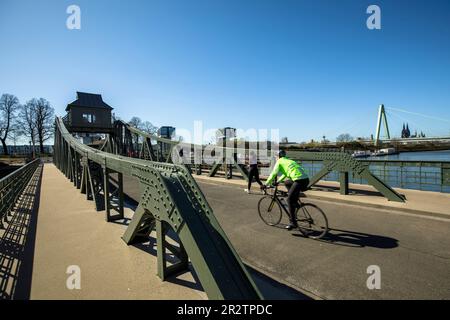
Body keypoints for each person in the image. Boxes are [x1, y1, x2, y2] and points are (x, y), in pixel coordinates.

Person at [265, 150, 310, 230]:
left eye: (276, 157)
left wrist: (265, 184)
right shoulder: (289, 160)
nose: (276, 158)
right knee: (287, 182)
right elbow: (285, 174)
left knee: (289, 199)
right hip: (306, 180)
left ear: (278, 156)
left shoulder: (279, 161)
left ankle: (293, 223)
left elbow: (273, 173)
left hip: (299, 181)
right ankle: (295, 201)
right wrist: (278, 182)